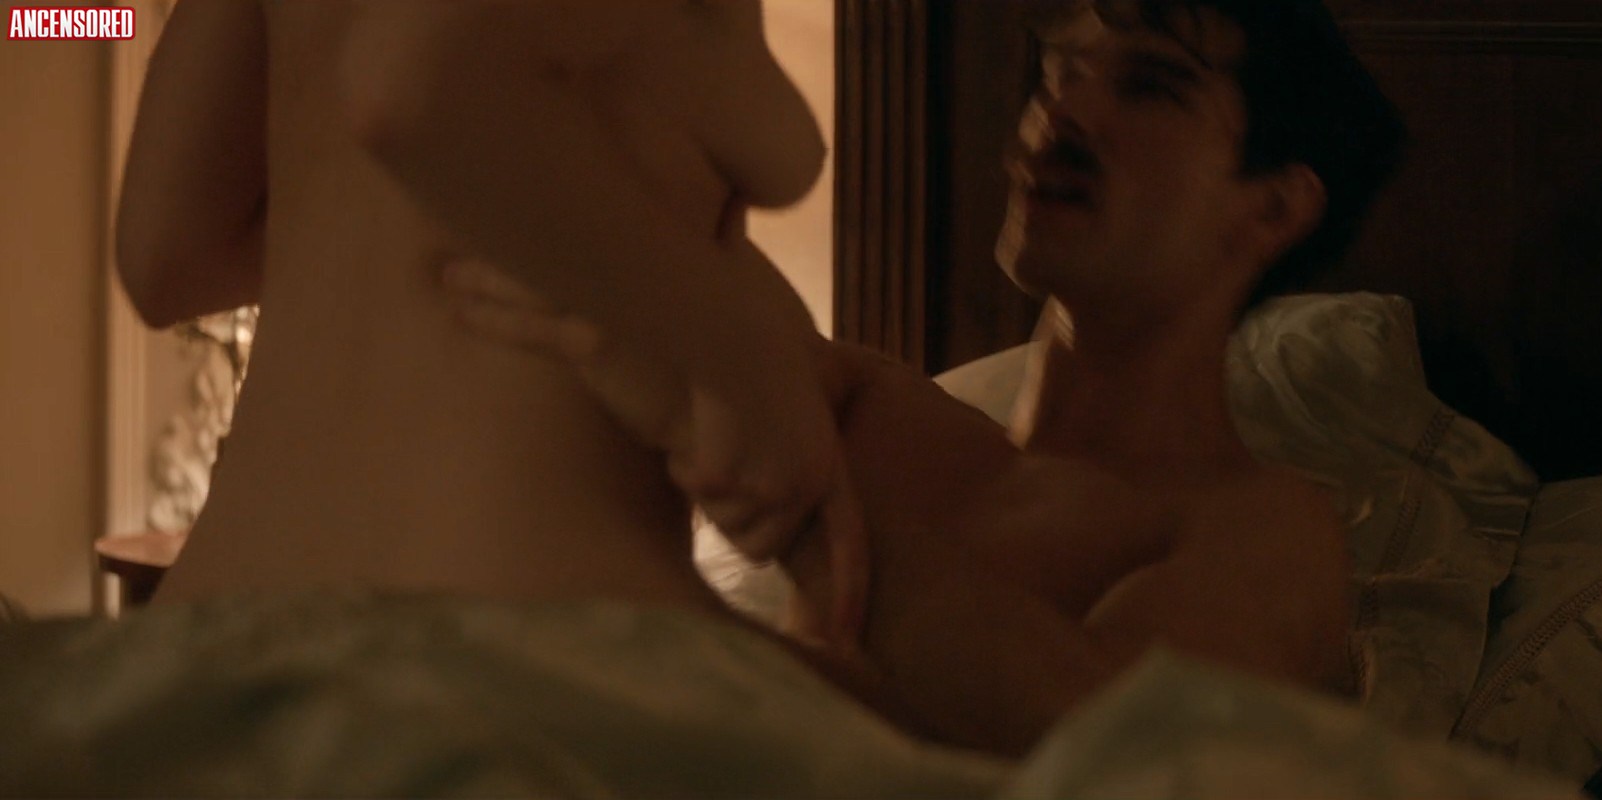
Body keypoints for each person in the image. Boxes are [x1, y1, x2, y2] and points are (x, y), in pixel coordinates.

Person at [439, 0, 1405, 755]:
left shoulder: (1264, 527)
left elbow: (1118, 745)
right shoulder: (868, 405)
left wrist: (804, 510)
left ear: (1273, 210)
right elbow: (635, 268)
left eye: (1151, 88)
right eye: (1060, 73)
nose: (1062, 113)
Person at [117, 0, 867, 645]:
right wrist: (735, 353)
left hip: (217, 631)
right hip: (523, 652)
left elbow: (168, 255)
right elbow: (412, 83)